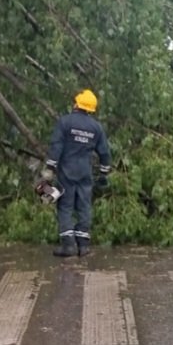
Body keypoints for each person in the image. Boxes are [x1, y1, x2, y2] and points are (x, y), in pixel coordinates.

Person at [42, 89, 111, 257]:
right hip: (85, 173)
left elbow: (56, 147)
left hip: (67, 172)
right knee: (84, 206)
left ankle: (68, 245)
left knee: (65, 206)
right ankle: (84, 246)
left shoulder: (65, 122)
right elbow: (104, 153)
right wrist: (103, 174)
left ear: (77, 104)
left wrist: (49, 170)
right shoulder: (96, 127)